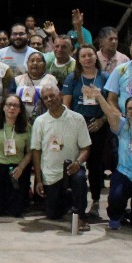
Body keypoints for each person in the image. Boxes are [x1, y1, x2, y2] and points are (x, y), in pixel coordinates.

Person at [30, 79, 92, 226]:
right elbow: (36, 151)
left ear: (60, 95)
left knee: (79, 179)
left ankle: (81, 216)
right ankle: (67, 201)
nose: (49, 99)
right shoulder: (40, 122)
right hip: (50, 174)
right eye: (45, 97)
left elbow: (86, 148)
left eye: (52, 95)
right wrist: (38, 180)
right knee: (53, 214)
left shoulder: (77, 119)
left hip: (72, 169)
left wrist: (78, 163)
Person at [62, 45, 109, 216]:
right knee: (75, 162)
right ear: (79, 60)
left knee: (95, 165)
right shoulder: (72, 78)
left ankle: (95, 202)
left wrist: (102, 120)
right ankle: (73, 200)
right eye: (83, 56)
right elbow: (66, 104)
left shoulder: (105, 77)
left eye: (90, 55)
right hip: (77, 125)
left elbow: (111, 104)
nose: (87, 58)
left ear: (96, 57)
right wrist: (72, 125)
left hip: (97, 125)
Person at [97, 93, 132, 231]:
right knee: (116, 196)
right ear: (126, 112)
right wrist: (98, 96)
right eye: (130, 109)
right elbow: (109, 113)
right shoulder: (123, 126)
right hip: (125, 173)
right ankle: (116, 215)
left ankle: (131, 213)